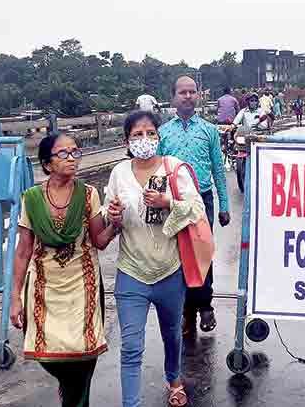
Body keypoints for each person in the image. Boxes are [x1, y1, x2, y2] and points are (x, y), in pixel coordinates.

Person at [10, 132, 121, 407]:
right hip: (44, 287)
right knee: (48, 354)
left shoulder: (88, 194)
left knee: (85, 352)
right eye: (63, 154)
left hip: (83, 284)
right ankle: (69, 387)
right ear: (48, 164)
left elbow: (100, 241)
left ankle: (75, 401)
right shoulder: (32, 199)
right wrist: (14, 297)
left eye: (75, 152)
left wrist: (116, 224)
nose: (72, 158)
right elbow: (23, 250)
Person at [105, 111, 205, 407]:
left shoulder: (173, 169)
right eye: (137, 134)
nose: (144, 139)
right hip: (131, 272)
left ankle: (174, 379)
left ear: (158, 137)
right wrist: (112, 218)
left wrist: (168, 203)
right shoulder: (119, 173)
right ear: (127, 140)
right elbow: (109, 216)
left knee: (172, 335)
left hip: (170, 271)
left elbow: (196, 209)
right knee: (131, 346)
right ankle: (130, 403)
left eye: (150, 132)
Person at [158, 76, 230, 334]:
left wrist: (224, 204)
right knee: (177, 255)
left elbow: (218, 170)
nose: (187, 96)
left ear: (199, 95)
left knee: (202, 252)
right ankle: (185, 311)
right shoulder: (163, 133)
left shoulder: (209, 130)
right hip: (173, 201)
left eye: (192, 92)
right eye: (182, 92)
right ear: (173, 97)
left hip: (203, 199)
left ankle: (204, 305)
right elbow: (156, 169)